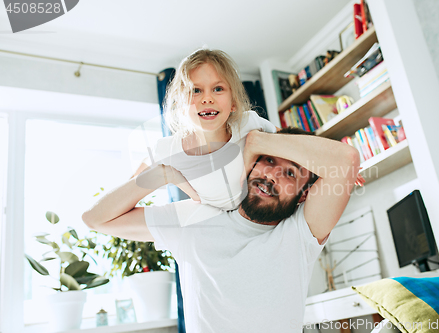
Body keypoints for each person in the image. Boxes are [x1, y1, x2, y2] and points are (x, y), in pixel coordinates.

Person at [82, 127, 361, 332]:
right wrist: (162, 173)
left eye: (291, 174)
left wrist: (258, 139)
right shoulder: (193, 218)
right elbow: (96, 219)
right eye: (270, 160)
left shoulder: (301, 233)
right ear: (251, 164)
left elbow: (346, 160)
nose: (272, 175)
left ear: (303, 195)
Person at [149, 49, 277, 214]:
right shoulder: (168, 149)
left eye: (218, 89)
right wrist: (177, 180)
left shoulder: (248, 123)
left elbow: (291, 141)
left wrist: (255, 144)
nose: (207, 98)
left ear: (233, 103)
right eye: (196, 90)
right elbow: (136, 182)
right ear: (180, 106)